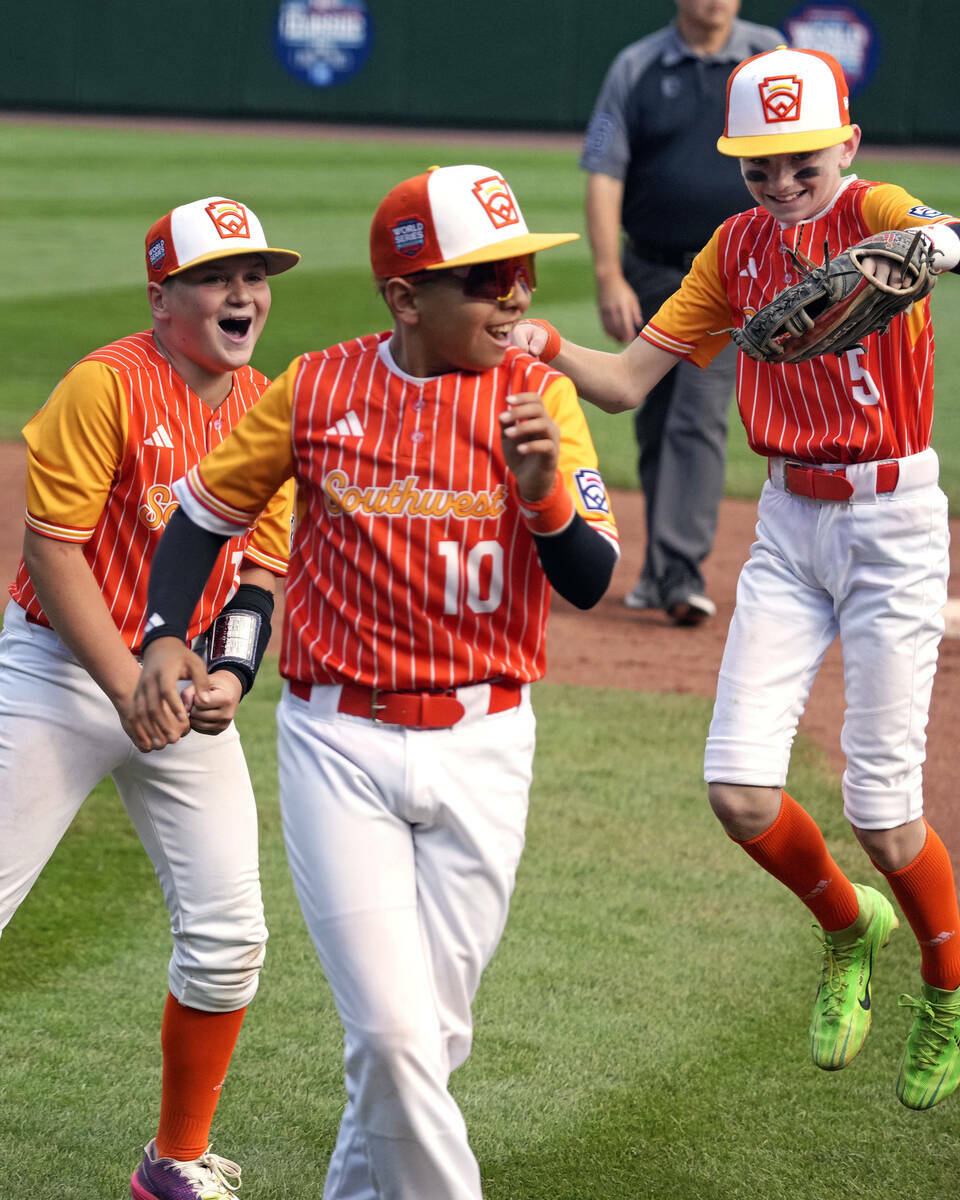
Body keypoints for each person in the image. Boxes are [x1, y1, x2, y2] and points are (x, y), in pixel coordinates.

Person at [129, 164, 620, 1199]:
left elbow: (589, 579)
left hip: (487, 746)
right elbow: (204, 519)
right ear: (406, 298)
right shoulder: (316, 389)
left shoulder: (542, 396)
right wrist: (169, 632)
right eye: (486, 280)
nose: (518, 296)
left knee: (423, 1048)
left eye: (521, 273)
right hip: (338, 744)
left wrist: (542, 497)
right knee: (397, 1037)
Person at [513, 47, 960, 1109]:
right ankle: (851, 927)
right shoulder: (734, 249)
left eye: (803, 164)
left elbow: (943, 231)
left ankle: (948, 987)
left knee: (884, 812)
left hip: (895, 525)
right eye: (760, 167)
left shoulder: (875, 208)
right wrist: (535, 339)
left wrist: (930, 243)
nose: (783, 185)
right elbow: (625, 386)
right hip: (789, 525)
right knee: (738, 792)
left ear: (845, 147)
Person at [0, 196, 300, 1200]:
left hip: (172, 690)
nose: (243, 294)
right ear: (162, 295)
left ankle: (173, 1163)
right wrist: (126, 681)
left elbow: (260, 568)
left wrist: (229, 674)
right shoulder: (104, 387)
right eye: (218, 276)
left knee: (230, 938)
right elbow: (54, 547)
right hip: (58, 670)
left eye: (253, 276)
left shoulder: (270, 406)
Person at [581, 0, 782, 625]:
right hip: (651, 268)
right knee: (655, 413)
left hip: (733, 273)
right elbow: (603, 170)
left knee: (696, 416)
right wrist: (610, 272)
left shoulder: (765, 56)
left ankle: (680, 573)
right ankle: (659, 571)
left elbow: (806, 157)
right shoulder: (636, 66)